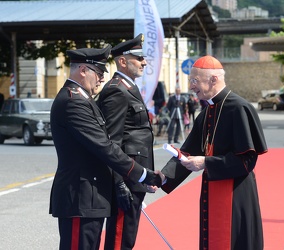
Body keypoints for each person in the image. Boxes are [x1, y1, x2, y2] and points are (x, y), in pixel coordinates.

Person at [49, 45, 162, 250]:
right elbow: (105, 146)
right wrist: (142, 174)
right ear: (83, 70)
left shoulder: (83, 99)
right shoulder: (73, 101)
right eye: (99, 72)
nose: (102, 78)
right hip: (80, 196)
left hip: (90, 197)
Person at [161, 55, 268, 250]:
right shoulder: (207, 111)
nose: (191, 86)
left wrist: (206, 163)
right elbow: (187, 151)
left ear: (213, 79)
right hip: (212, 190)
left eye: (195, 80)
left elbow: (247, 160)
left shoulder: (239, 108)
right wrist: (163, 177)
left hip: (236, 194)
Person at [96, 34, 156, 250]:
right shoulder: (116, 90)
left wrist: (146, 174)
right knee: (120, 238)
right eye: (139, 57)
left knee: (127, 237)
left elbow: (138, 136)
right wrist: (119, 183)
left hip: (135, 176)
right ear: (122, 61)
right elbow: (111, 142)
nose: (144, 62)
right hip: (126, 178)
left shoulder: (129, 87)